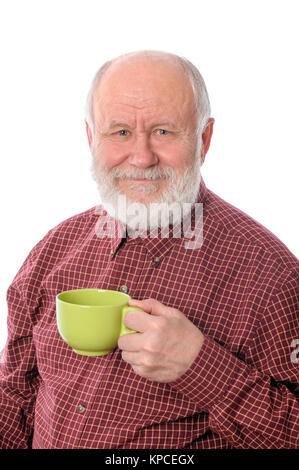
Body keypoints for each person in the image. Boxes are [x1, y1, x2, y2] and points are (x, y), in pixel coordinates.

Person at [0, 50, 298, 449]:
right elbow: (16, 398)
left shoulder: (272, 277)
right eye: (120, 132)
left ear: (204, 139)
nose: (141, 158)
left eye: (163, 131)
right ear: (92, 138)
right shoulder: (53, 251)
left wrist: (202, 367)